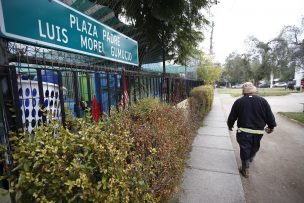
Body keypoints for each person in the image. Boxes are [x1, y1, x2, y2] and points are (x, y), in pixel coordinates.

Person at [227, 82, 276, 178]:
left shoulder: (239, 102)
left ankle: (245, 167)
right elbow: (269, 115)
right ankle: (249, 159)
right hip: (258, 132)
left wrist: (230, 125)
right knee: (255, 146)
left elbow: (232, 116)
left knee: (245, 148)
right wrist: (271, 126)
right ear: (254, 90)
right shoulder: (262, 101)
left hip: (243, 132)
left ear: (243, 92)